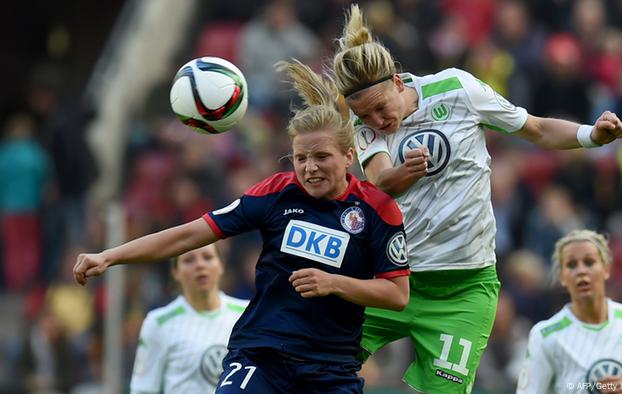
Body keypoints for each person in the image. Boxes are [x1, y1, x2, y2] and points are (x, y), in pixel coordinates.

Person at [330, 5, 622, 393]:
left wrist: (591, 135)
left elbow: (535, 128)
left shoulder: (458, 88)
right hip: (392, 278)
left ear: (399, 82)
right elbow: (381, 180)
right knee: (321, 364)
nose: (375, 121)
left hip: (464, 290)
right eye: (363, 115)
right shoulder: (364, 123)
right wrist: (405, 173)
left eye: (380, 108)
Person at [73, 59, 410, 394]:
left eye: (321, 157)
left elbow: (397, 295)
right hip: (261, 356)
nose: (309, 168)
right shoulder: (277, 193)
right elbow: (191, 234)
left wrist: (333, 283)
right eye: (300, 158)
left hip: (331, 367)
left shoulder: (377, 209)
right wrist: (110, 256)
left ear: (348, 156)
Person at [516, 230, 622, 393]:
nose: (581, 271)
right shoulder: (544, 335)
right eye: (571, 265)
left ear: (606, 269)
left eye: (589, 262)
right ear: (562, 277)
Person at [129, 243, 249, 393]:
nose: (200, 265)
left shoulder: (248, 314)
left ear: (221, 265)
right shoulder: (158, 323)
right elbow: (143, 389)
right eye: (189, 260)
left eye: (208, 257)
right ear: (175, 272)